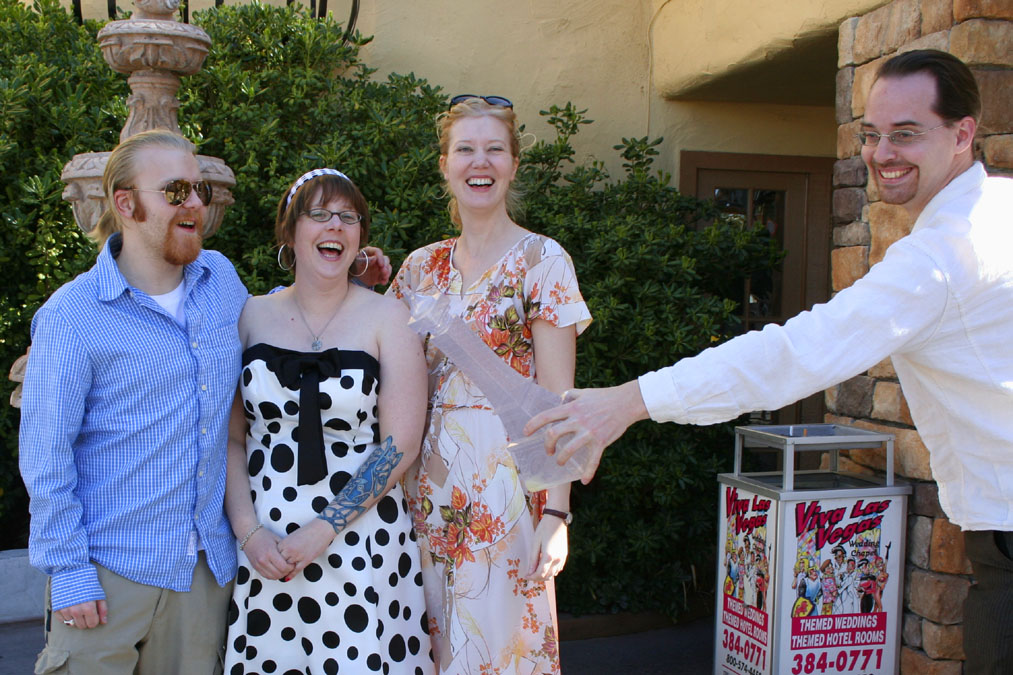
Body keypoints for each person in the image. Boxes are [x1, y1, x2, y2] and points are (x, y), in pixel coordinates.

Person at [526, 49, 1013, 673]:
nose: (882, 152)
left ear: (963, 132)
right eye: (871, 134)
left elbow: (797, 354)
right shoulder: (994, 209)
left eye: (907, 134)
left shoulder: (944, 254)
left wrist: (628, 401)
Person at [18, 129, 247, 673]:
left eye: (199, 190)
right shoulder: (72, 317)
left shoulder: (223, 282)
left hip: (203, 575)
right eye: (174, 191)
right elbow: (45, 457)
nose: (194, 203)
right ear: (126, 204)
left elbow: (285, 340)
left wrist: (353, 277)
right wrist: (68, 571)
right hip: (105, 578)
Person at [387, 95, 591, 674]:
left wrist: (557, 515)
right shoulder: (418, 268)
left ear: (514, 163)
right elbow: (380, 358)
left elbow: (558, 403)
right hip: (426, 487)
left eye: (494, 149)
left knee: (501, 647)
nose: (481, 162)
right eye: (466, 149)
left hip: (504, 490)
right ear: (445, 164)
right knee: (434, 643)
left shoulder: (543, 261)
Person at [222, 169, 434, 674]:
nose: (333, 226)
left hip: (362, 543)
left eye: (347, 217)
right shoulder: (248, 316)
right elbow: (230, 438)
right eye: (318, 215)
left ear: (360, 236)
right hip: (266, 548)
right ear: (290, 232)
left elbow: (399, 445)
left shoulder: (390, 319)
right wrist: (249, 533)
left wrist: (324, 528)